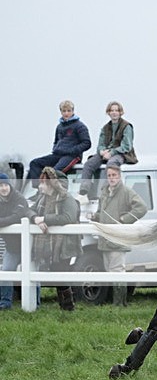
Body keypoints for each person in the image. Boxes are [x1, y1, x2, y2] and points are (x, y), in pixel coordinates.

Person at [87, 164, 147, 306]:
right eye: (109, 176)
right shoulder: (104, 192)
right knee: (109, 271)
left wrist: (124, 220)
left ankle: (120, 303)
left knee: (118, 271)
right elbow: (102, 213)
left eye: (114, 175)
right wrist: (94, 216)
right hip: (105, 238)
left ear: (119, 176)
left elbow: (142, 208)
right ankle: (115, 302)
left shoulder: (126, 191)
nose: (112, 178)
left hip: (118, 238)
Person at [28, 167, 82, 311]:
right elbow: (29, 210)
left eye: (44, 183)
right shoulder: (42, 199)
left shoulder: (67, 198)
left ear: (51, 184)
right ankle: (65, 307)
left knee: (61, 272)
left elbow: (68, 217)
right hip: (49, 244)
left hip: (65, 244)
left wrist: (45, 219)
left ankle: (68, 307)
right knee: (56, 272)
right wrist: (36, 219)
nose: (41, 186)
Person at [79, 101, 137, 198]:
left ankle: (104, 192)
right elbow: (100, 145)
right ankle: (84, 191)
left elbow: (127, 146)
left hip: (122, 153)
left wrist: (112, 152)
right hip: (106, 153)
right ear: (108, 112)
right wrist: (101, 151)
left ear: (120, 112)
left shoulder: (126, 126)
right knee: (89, 164)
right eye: (112, 110)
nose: (114, 112)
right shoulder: (105, 128)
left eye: (116, 110)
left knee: (111, 165)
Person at [27, 100, 92, 188]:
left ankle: (50, 191)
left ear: (73, 111)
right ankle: (39, 189)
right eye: (64, 111)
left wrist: (72, 150)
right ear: (61, 112)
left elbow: (87, 143)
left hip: (72, 156)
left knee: (53, 172)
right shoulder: (59, 126)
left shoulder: (80, 126)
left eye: (69, 111)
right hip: (57, 154)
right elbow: (56, 141)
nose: (66, 113)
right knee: (34, 163)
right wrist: (55, 148)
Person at [0, 173, 31, 309]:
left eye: (5, 185)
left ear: (10, 185)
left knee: (32, 273)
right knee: (6, 271)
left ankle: (34, 302)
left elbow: (17, 217)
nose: (3, 188)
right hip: (11, 247)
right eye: (0, 185)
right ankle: (5, 303)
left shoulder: (19, 199)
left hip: (28, 246)